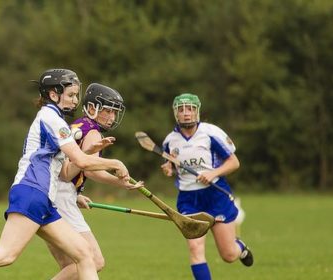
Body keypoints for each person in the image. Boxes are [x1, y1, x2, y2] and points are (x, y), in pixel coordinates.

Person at [0, 69, 131, 280]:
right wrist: (115, 163)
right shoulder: (52, 119)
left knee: (86, 256)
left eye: (76, 95)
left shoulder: (55, 120)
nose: (75, 101)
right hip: (32, 192)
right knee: (5, 254)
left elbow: (67, 170)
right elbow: (81, 162)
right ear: (53, 94)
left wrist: (78, 183)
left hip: (44, 199)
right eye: (70, 95)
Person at [48, 83, 143, 279]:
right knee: (94, 261)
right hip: (61, 197)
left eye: (115, 112)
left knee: (71, 266)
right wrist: (121, 183)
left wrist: (77, 195)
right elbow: (92, 170)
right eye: (108, 111)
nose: (112, 117)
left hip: (53, 194)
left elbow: (66, 168)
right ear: (92, 108)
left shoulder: (76, 125)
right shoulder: (92, 132)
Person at [160, 93, 253, 280]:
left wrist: (213, 173)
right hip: (188, 199)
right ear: (175, 113)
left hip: (215, 195)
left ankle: (240, 248)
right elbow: (170, 164)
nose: (186, 113)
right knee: (195, 248)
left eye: (190, 109)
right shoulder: (170, 140)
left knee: (228, 255)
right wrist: (168, 169)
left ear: (197, 111)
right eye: (181, 109)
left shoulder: (211, 133)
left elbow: (234, 163)